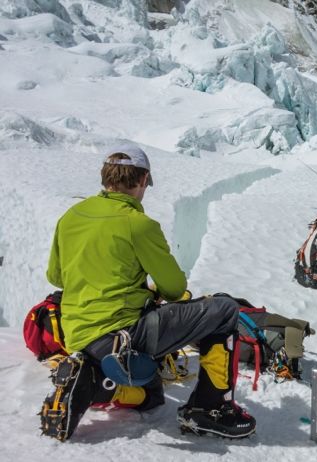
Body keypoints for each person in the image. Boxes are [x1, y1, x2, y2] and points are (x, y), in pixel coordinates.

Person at [42, 144, 255, 441]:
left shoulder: (71, 216)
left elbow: (56, 276)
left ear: (106, 177)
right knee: (223, 310)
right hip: (122, 335)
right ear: (142, 180)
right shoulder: (138, 225)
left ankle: (90, 384)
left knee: (152, 395)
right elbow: (174, 288)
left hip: (78, 335)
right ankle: (211, 409)